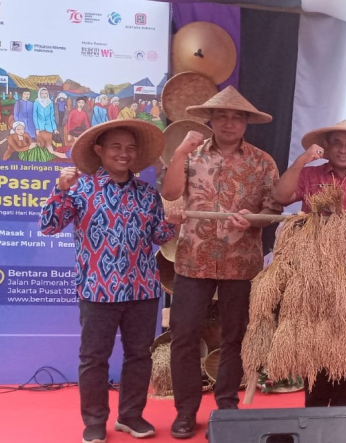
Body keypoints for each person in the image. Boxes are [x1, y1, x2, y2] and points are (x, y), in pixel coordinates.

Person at [39, 120, 176, 443]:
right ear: (99, 151)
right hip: (97, 290)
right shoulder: (80, 190)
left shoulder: (147, 193)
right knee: (93, 359)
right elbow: (49, 226)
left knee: (139, 356)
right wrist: (59, 190)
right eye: (116, 147)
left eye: (130, 148)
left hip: (142, 289)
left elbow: (159, 235)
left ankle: (130, 416)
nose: (123, 154)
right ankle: (95, 420)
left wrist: (174, 223)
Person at [161, 86, 281, 439]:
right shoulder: (190, 153)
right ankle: (185, 411)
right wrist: (181, 152)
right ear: (210, 119)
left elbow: (272, 211)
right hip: (192, 260)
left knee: (236, 336)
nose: (229, 123)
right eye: (223, 115)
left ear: (246, 123)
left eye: (237, 116)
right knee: (183, 336)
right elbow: (169, 194)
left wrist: (252, 219)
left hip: (240, 263)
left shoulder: (262, 162)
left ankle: (227, 403)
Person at [273, 119, 346, 407]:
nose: (344, 150)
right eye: (337, 143)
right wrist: (302, 159)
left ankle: (343, 414)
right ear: (328, 146)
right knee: (316, 339)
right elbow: (281, 196)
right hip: (315, 272)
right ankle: (314, 413)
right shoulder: (310, 176)